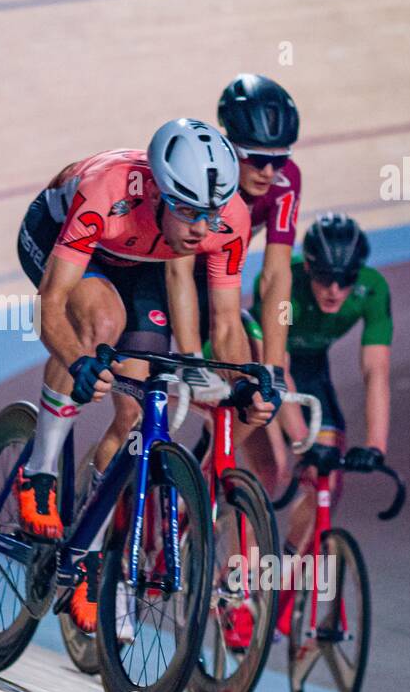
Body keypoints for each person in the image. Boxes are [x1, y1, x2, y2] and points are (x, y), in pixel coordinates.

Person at [14, 118, 279, 547]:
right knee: (102, 321)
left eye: (210, 214)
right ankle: (38, 473)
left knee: (136, 408)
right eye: (188, 211)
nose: (201, 229)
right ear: (157, 192)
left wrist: (243, 384)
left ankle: (88, 548)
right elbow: (51, 303)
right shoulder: (106, 191)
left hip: (139, 259)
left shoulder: (229, 220)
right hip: (59, 234)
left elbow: (227, 323)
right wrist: (77, 361)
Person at [253, 213, 393, 554]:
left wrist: (375, 446)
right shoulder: (287, 287)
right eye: (325, 278)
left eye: (345, 280)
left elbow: (376, 371)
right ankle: (231, 569)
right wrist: (302, 441)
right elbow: (277, 367)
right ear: (308, 268)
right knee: (269, 472)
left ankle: (287, 564)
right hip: (263, 365)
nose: (334, 290)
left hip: (311, 369)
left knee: (326, 479)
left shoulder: (372, 289)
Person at [188, 73, 302, 487]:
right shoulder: (203, 175)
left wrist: (273, 366)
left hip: (218, 287)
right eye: (256, 158)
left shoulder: (286, 183)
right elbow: (176, 271)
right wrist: (189, 354)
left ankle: (196, 479)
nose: (269, 171)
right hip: (165, 283)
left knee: (257, 390)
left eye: (280, 159)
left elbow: (275, 276)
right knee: (135, 408)